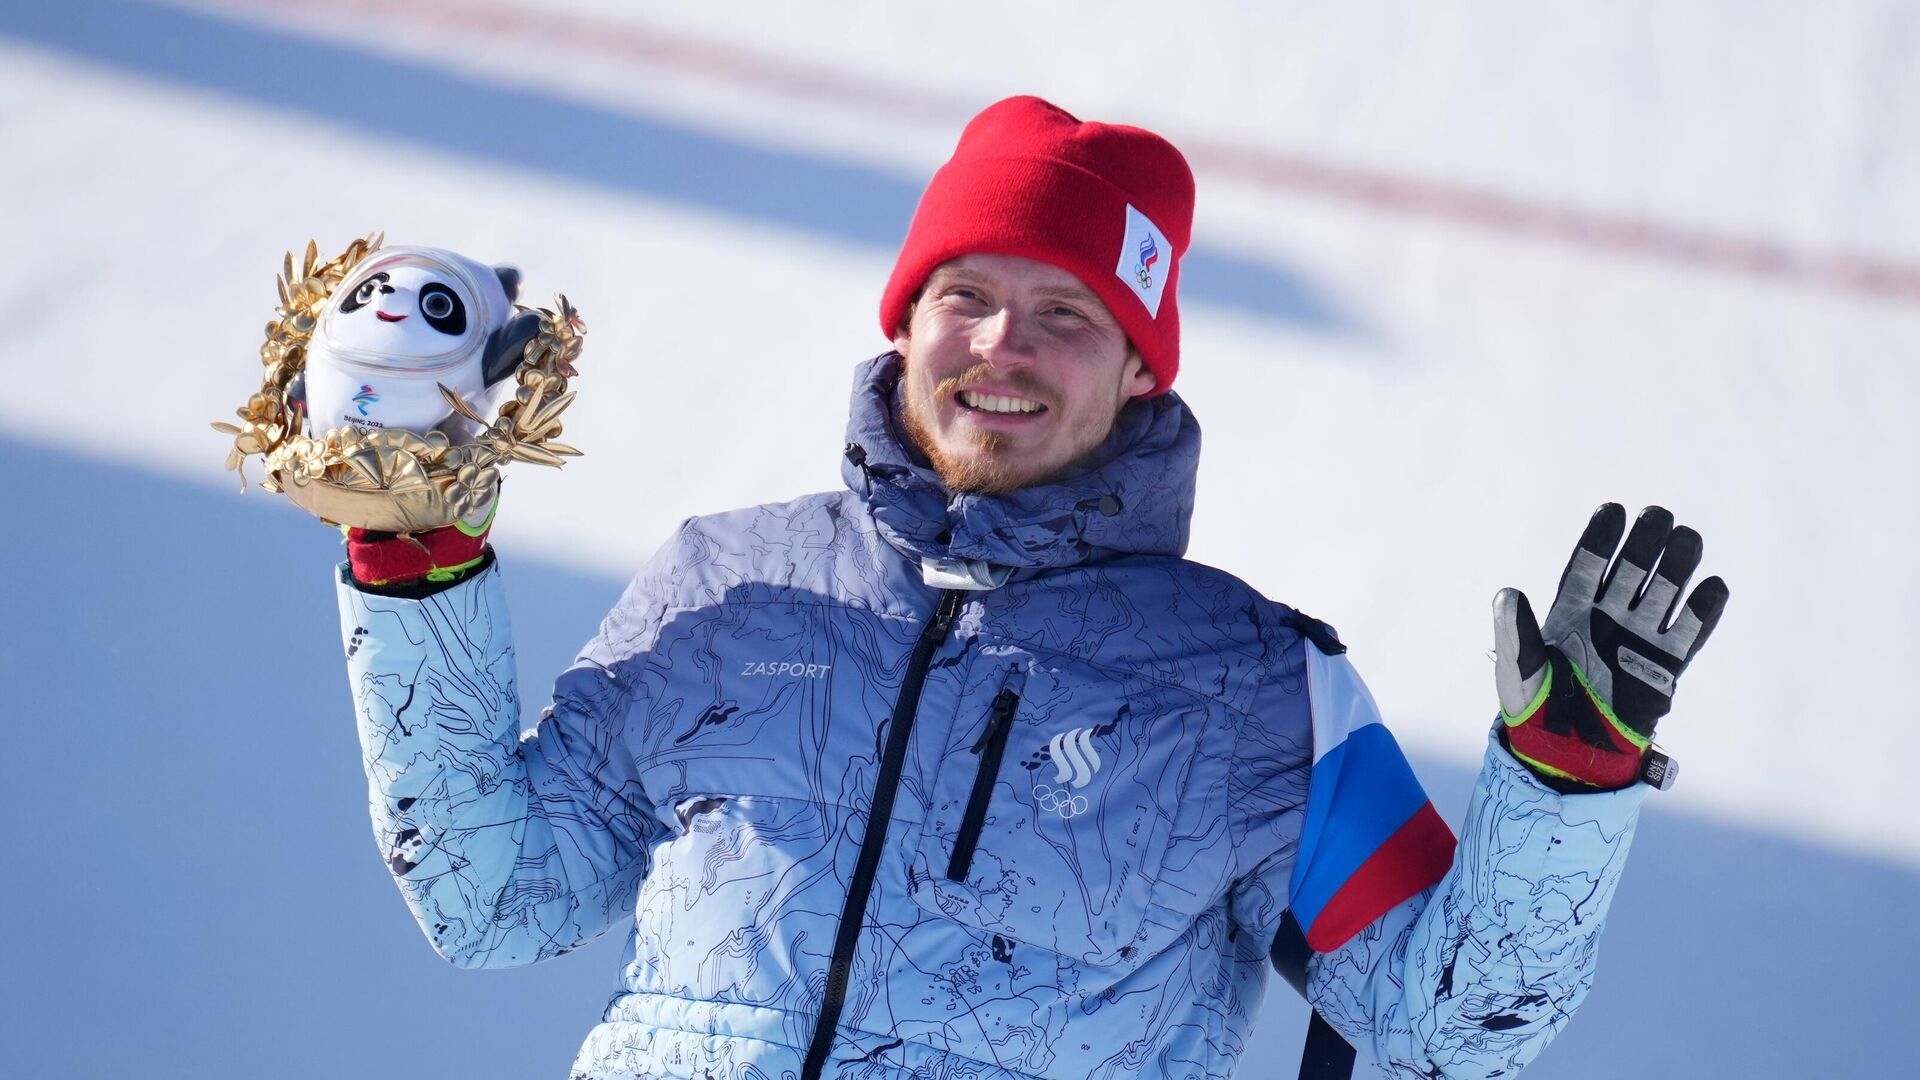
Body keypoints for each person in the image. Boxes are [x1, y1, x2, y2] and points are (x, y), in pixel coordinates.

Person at [333, 96, 1728, 1079]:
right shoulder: (731, 585)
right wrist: (412, 557)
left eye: (1067, 316)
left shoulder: (1256, 690)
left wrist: (1567, 781)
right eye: (968, 297)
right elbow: (494, 896)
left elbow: (1439, 1024)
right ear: (907, 319)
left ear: (1138, 368)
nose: (1003, 346)